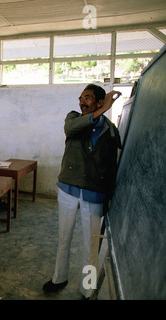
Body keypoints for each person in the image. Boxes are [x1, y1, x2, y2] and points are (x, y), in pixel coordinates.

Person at [43, 84, 122, 299]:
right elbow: (71, 129)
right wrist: (101, 110)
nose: (82, 102)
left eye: (88, 98)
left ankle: (87, 289)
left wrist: (108, 196)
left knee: (91, 245)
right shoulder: (74, 119)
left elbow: (112, 166)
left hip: (94, 194)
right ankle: (59, 278)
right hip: (68, 189)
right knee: (63, 238)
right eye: (80, 98)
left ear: (99, 101)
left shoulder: (111, 131)